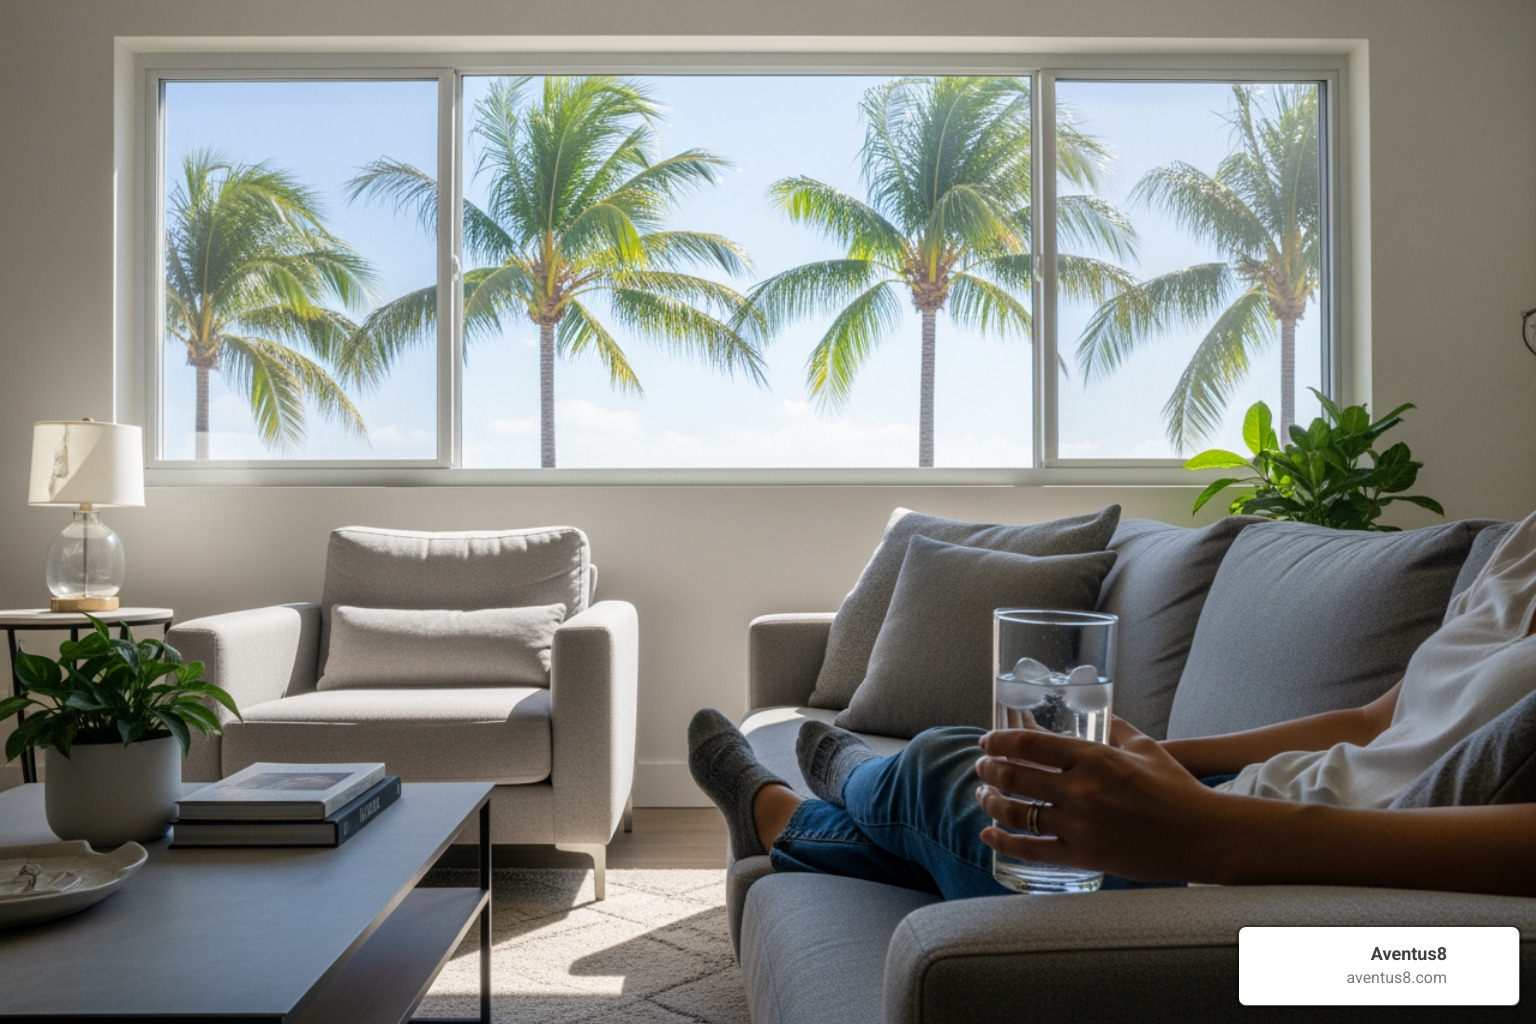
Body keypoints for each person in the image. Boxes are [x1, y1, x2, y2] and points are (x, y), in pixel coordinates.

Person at [688, 511, 1536, 901]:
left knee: (947, 760)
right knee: (996, 755)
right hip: (1256, 800)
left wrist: (1206, 831)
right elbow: (1371, 723)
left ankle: (828, 793)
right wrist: (1168, 760)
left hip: (1289, 865)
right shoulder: (1522, 551)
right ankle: (800, 818)